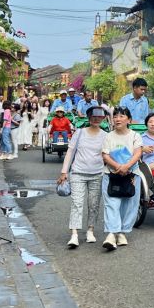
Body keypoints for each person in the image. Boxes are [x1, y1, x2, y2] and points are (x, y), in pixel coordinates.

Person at [58, 106, 108, 248]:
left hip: (97, 174)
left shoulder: (105, 136)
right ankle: (74, 234)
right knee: (77, 203)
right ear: (89, 118)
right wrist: (64, 172)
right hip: (78, 173)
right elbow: (70, 152)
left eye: (99, 117)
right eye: (94, 116)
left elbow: (108, 155)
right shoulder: (79, 133)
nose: (96, 119)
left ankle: (90, 230)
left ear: (103, 119)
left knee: (94, 204)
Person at [101, 106, 144, 250]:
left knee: (129, 205)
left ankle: (122, 233)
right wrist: (118, 167)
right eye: (115, 116)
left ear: (129, 120)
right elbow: (105, 155)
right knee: (112, 204)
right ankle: (112, 234)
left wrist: (126, 166)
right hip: (111, 175)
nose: (117, 119)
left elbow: (138, 153)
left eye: (121, 116)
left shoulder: (135, 136)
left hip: (131, 175)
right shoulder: (108, 136)